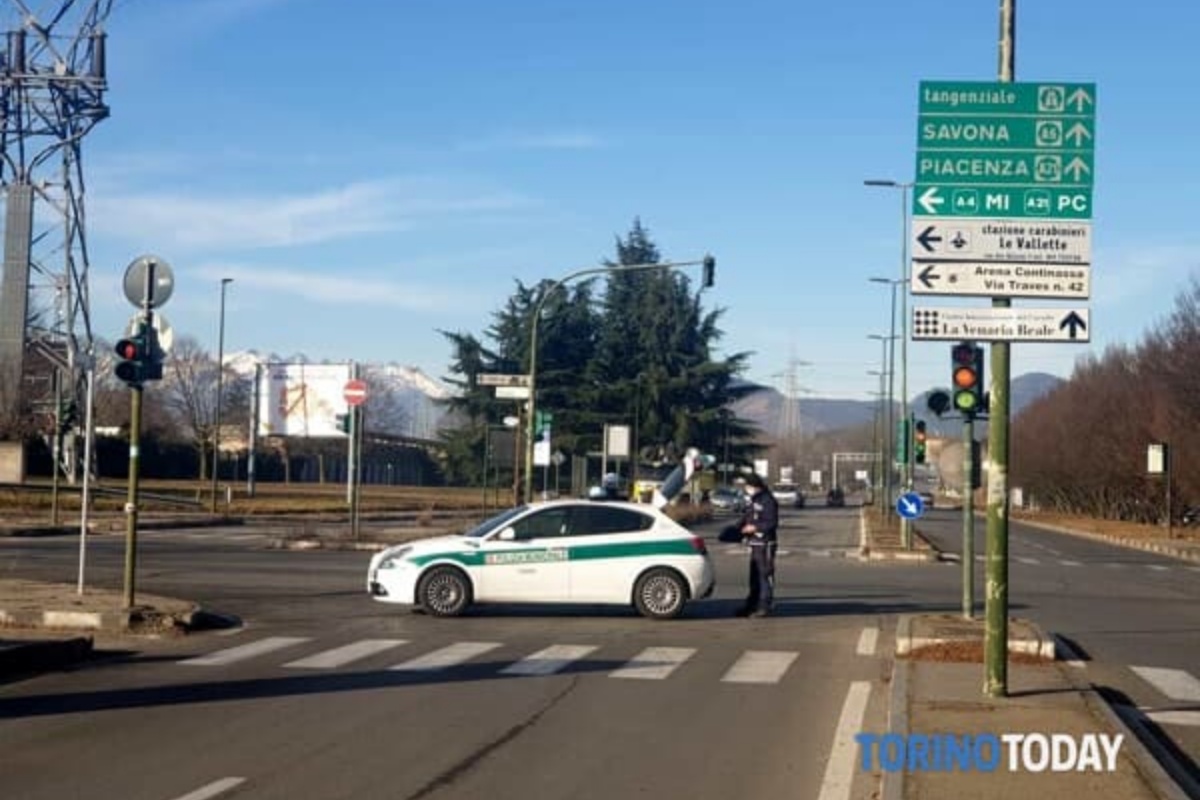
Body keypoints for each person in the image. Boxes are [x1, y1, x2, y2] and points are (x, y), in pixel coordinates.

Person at [735, 473, 779, 617]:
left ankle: (764, 605)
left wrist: (755, 528)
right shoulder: (753, 500)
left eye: (748, 486)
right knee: (754, 577)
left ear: (756, 486)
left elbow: (771, 522)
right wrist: (737, 529)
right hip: (755, 543)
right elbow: (747, 518)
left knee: (764, 575)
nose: (747, 489)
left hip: (766, 543)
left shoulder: (768, 500)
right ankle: (751, 605)